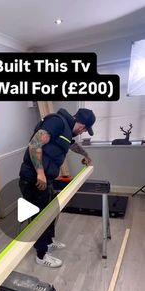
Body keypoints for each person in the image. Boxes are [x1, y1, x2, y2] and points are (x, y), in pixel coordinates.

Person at [19, 107, 95, 268]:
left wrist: (86, 155)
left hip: (46, 179)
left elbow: (71, 145)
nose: (82, 132)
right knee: (39, 218)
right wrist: (40, 172)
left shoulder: (66, 130)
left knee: (50, 212)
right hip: (34, 178)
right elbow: (35, 144)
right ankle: (41, 255)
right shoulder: (56, 122)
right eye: (84, 129)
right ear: (81, 125)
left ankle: (47, 242)